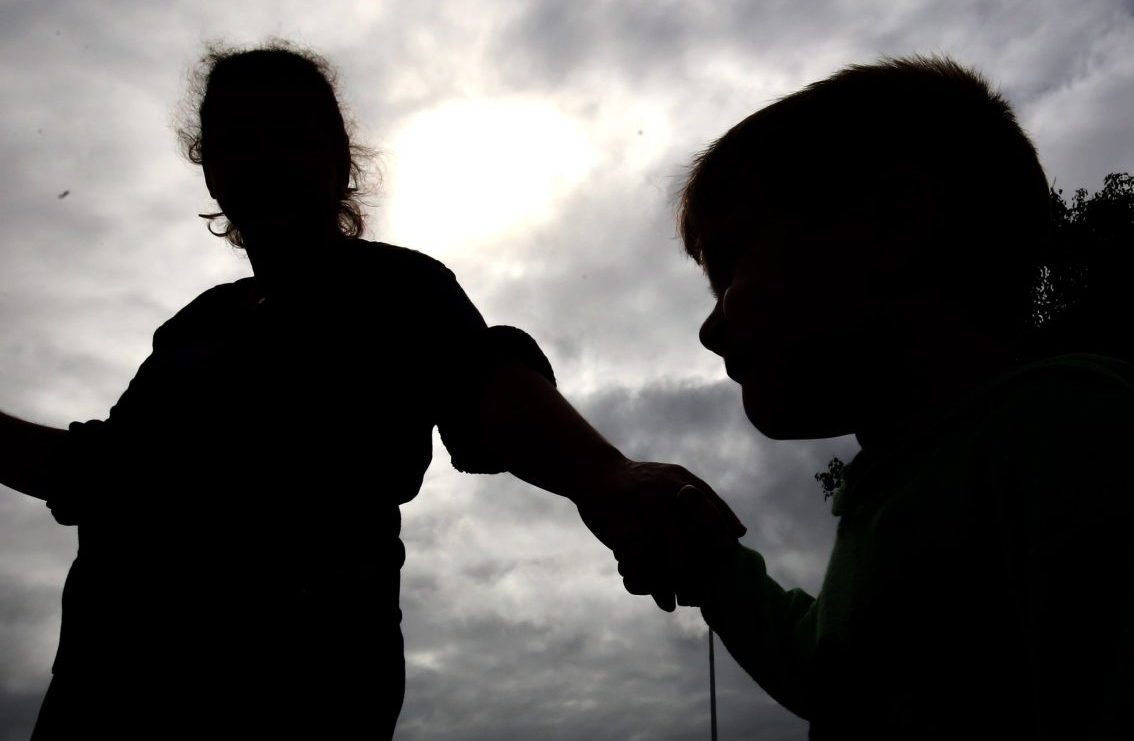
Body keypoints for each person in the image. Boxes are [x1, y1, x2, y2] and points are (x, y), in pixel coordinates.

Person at [0, 43, 743, 739]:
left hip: (290, 686)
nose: (262, 157)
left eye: (287, 135)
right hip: (103, 690)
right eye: (236, 139)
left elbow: (483, 385)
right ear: (209, 169)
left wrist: (606, 477)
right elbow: (100, 473)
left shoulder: (394, 288)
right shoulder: (194, 327)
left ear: (340, 162)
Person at [620, 56, 1134, 739]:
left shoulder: (1066, 438)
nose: (710, 328)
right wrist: (713, 566)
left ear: (894, 225)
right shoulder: (904, 489)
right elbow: (835, 669)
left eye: (732, 264)